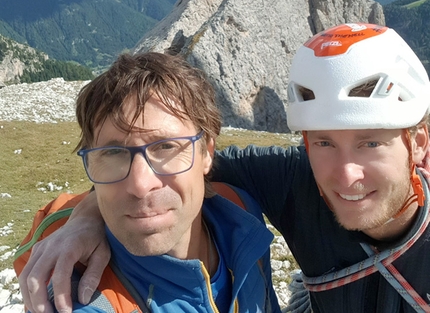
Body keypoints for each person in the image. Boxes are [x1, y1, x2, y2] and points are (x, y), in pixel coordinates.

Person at [17, 23, 430, 312]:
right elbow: (176, 169)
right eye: (323, 142)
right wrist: (86, 216)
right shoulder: (291, 181)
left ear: (419, 145)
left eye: (371, 142)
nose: (346, 175)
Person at [14, 52, 280, 313]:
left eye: (166, 147)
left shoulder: (241, 213)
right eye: (113, 153)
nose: (140, 185)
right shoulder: (85, 301)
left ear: (207, 153)